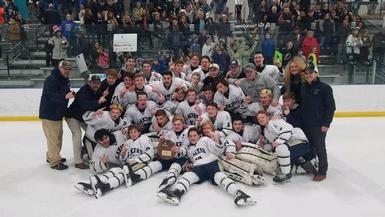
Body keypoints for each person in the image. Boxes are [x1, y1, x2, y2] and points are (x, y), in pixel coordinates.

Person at [157, 127, 256, 206]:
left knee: (219, 177)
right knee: (187, 176)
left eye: (194, 135)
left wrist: (217, 139)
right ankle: (176, 194)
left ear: (199, 135)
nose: (192, 137)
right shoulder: (188, 148)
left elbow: (218, 150)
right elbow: (182, 151)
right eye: (190, 136)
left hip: (211, 163)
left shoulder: (204, 140)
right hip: (198, 167)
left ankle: (240, 194)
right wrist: (176, 149)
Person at [256, 110, 316, 183]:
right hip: (293, 146)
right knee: (278, 152)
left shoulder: (274, 122)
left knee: (281, 149)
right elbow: (273, 143)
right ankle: (302, 163)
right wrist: (263, 143)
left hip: (300, 143)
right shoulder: (266, 130)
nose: (260, 120)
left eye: (262, 117)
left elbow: (288, 128)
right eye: (259, 119)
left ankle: (286, 173)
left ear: (268, 117)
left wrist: (279, 141)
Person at [300, 64, 336, 182]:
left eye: (311, 73)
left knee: (320, 148)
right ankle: (312, 166)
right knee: (311, 147)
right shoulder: (303, 87)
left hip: (319, 125)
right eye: (306, 73)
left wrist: (326, 124)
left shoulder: (324, 88)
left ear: (316, 73)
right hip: (306, 124)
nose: (308, 75)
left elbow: (331, 107)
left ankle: (322, 171)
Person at [39, 60, 75, 170]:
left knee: (58, 138)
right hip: (50, 114)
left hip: (57, 114)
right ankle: (55, 162)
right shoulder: (52, 79)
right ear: (59, 68)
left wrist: (69, 95)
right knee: (53, 139)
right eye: (65, 69)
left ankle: (52, 156)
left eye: (69, 69)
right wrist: (65, 96)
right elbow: (51, 96)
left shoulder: (64, 79)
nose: (67, 71)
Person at [65, 75, 105, 169]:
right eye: (94, 83)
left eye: (98, 83)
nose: (96, 85)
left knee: (93, 133)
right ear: (89, 83)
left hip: (84, 118)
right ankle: (77, 161)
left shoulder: (98, 91)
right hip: (72, 116)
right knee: (77, 134)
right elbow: (85, 105)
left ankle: (86, 150)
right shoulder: (83, 91)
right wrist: (98, 102)